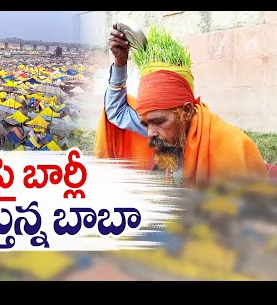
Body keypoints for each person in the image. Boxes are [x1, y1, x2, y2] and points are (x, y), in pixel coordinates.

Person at [94, 23, 269, 188]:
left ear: (185, 112)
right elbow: (116, 112)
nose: (149, 134)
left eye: (158, 122)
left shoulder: (233, 149)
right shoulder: (161, 126)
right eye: (144, 124)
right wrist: (120, 61)